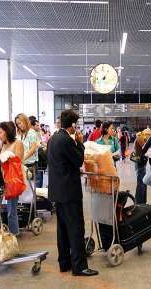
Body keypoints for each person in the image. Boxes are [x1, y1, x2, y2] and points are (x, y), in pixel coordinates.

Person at [47, 110, 98, 277]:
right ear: (73, 125)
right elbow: (78, 160)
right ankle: (80, 266)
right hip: (69, 191)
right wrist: (80, 143)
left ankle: (65, 263)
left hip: (57, 191)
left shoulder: (53, 139)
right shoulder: (67, 140)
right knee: (76, 228)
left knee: (62, 228)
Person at [0, 121, 24, 235]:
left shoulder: (18, 143)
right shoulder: (2, 144)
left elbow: (18, 160)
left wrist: (3, 156)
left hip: (13, 180)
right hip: (2, 179)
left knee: (11, 210)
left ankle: (14, 234)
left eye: (0, 132)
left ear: (7, 132)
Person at [133, 129, 151, 204]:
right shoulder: (140, 138)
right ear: (146, 134)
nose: (149, 138)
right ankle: (139, 202)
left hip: (140, 162)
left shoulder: (141, 137)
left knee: (142, 183)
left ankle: (141, 201)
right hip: (139, 162)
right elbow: (145, 149)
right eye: (149, 136)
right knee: (141, 183)